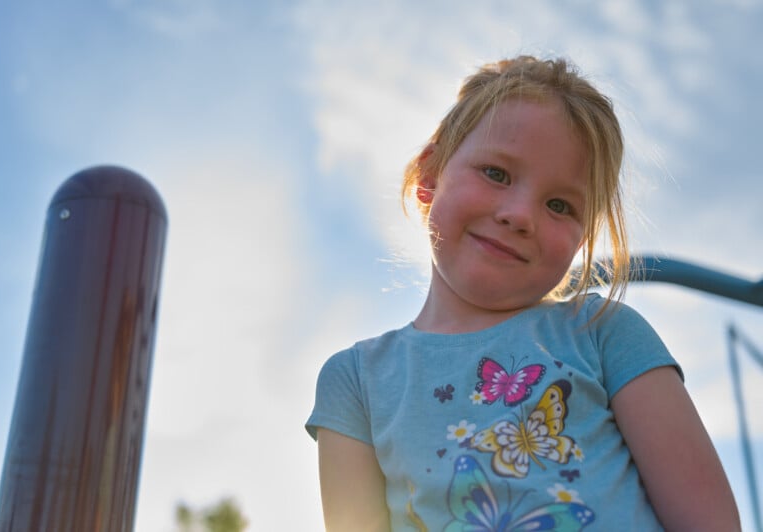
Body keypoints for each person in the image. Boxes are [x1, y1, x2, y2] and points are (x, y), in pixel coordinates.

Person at [305, 56, 740, 531]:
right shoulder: (356, 382)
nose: (520, 215)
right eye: (496, 173)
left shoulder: (602, 332)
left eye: (559, 204)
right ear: (430, 177)